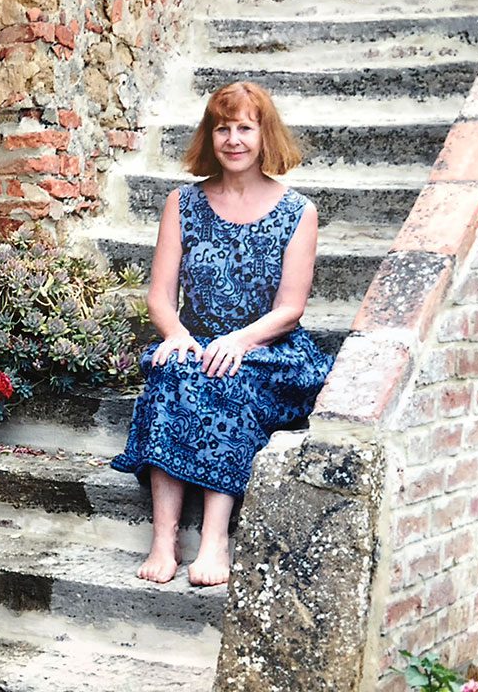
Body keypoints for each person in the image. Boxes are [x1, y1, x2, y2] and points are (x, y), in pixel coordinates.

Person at [110, 81, 333, 587]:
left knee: (225, 377)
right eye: (222, 128)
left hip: (269, 349)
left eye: (245, 128)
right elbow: (160, 297)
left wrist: (239, 342)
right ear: (209, 137)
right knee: (173, 373)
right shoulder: (182, 204)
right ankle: (164, 538)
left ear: (264, 135)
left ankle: (214, 539)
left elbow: (291, 308)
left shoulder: (298, 212)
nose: (234, 139)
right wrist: (176, 333)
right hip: (197, 338)